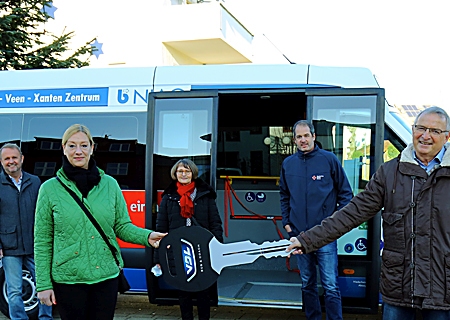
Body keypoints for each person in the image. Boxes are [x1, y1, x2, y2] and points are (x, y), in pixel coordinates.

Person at [287, 106, 450, 320]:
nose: (425, 136)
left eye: (434, 131)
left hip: (441, 288)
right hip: (399, 286)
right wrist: (307, 239)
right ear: (413, 130)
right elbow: (352, 212)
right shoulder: (390, 172)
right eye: (421, 128)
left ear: (446, 137)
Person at [33, 124, 166, 320]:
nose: (78, 151)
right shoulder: (49, 189)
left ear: (92, 148)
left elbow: (122, 226)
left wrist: (148, 236)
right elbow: (42, 240)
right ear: (63, 148)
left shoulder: (110, 184)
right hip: (69, 280)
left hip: (105, 277)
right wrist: (44, 285)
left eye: (84, 145)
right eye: (72, 146)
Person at [279, 120, 353, 320]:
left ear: (313, 136)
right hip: (299, 235)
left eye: (306, 136)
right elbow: (284, 195)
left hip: (326, 235)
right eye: (299, 137)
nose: (303, 140)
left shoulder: (329, 160)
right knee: (307, 282)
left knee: (330, 284)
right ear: (294, 140)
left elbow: (346, 194)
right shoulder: (288, 164)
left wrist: (336, 222)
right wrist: (287, 222)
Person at [154, 159, 223, 320]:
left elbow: (215, 223)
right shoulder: (168, 197)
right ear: (174, 174)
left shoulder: (205, 195)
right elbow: (161, 228)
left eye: (187, 171)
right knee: (183, 289)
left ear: (193, 173)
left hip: (202, 248)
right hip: (179, 249)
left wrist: (217, 248)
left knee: (203, 289)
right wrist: (158, 257)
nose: (183, 174)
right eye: (180, 171)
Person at [0, 143, 54, 320]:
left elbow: (43, 213)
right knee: (14, 291)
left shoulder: (35, 181)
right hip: (9, 247)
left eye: (14, 157)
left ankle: (45, 318)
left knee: (44, 285)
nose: (11, 161)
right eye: (6, 158)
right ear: (1, 162)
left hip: (34, 245)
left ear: (22, 159)